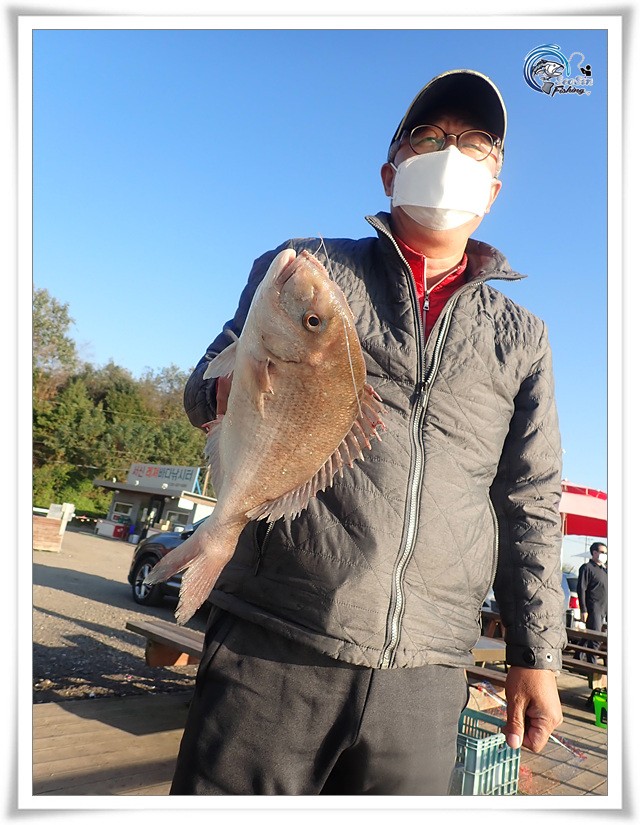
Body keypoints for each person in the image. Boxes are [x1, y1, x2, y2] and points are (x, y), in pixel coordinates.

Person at [173, 69, 566, 796]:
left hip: (429, 667)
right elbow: (200, 393)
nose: (451, 154)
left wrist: (535, 653)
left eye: (476, 145)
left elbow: (530, 500)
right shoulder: (309, 269)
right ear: (390, 172)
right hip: (276, 638)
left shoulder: (523, 337)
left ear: (493, 192)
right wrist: (249, 389)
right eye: (430, 138)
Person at [577, 542, 608, 663]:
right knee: (595, 638)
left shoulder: (604, 570)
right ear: (594, 553)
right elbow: (581, 589)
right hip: (593, 607)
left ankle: (577, 658)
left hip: (604, 607)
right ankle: (591, 666)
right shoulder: (587, 568)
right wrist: (583, 609)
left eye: (606, 553)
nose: (605, 555)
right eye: (602, 552)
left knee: (587, 637)